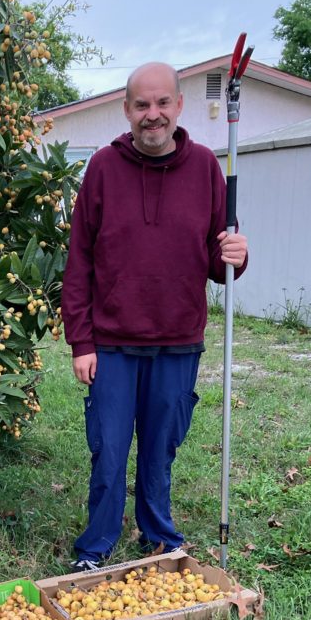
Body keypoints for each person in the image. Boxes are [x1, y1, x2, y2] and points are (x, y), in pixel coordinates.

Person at [61, 62, 248, 572]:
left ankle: (158, 536)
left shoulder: (207, 168)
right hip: (113, 342)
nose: (152, 114)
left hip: (178, 341)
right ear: (126, 109)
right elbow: (79, 259)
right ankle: (95, 547)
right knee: (110, 451)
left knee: (160, 451)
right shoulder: (102, 167)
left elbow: (217, 264)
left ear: (179, 106)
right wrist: (81, 341)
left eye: (162, 103)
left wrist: (236, 253)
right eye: (142, 105)